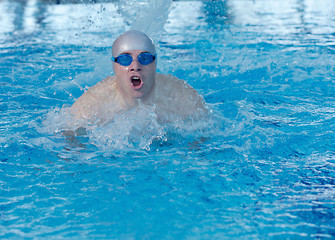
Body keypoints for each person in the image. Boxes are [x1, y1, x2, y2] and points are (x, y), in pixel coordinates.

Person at [71, 30, 206, 124]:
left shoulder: (183, 98)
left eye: (145, 58)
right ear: (114, 65)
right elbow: (66, 137)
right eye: (125, 59)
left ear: (155, 63)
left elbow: (206, 134)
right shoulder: (93, 104)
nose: (135, 65)